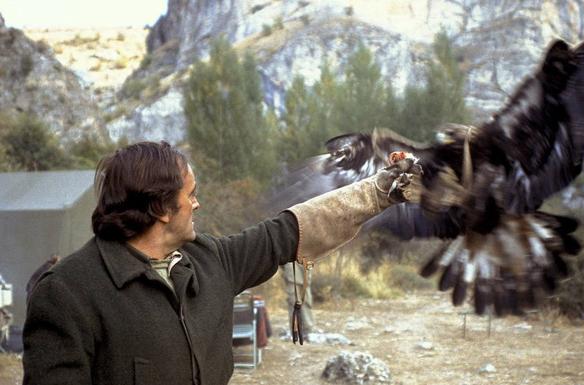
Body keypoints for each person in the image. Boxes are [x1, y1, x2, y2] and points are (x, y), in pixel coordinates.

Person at [22, 141, 417, 385]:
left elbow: (289, 230)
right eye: (191, 194)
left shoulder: (210, 261)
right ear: (161, 207)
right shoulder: (68, 293)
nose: (198, 203)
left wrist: (381, 190)